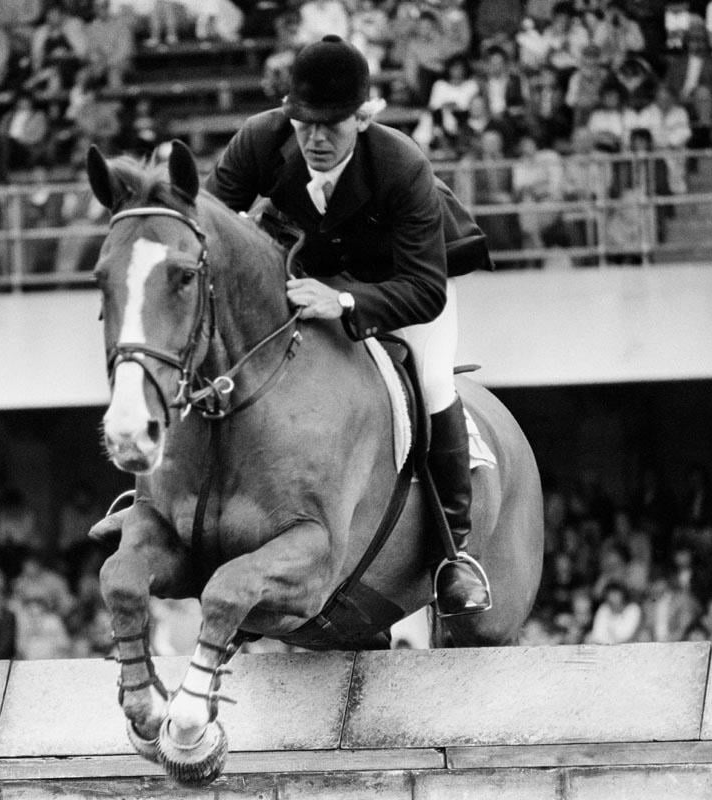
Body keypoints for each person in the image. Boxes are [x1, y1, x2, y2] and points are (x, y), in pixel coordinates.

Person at [204, 35, 495, 616]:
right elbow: (206, 223)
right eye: (303, 122)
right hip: (313, 269)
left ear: (363, 118)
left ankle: (452, 553)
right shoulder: (261, 139)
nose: (314, 138)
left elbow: (425, 288)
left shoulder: (401, 163)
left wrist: (343, 302)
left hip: (403, 282)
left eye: (331, 125)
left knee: (433, 382)